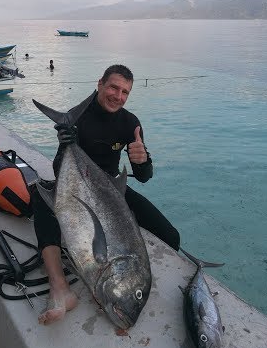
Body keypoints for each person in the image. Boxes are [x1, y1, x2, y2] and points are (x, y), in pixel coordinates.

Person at [31, 64, 181, 325]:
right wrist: (66, 144)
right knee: (41, 201)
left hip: (111, 189)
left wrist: (143, 161)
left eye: (125, 92)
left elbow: (143, 177)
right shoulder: (77, 119)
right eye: (113, 87)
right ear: (99, 84)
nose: (118, 96)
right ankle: (59, 287)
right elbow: (59, 169)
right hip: (76, 187)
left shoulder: (130, 123)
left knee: (171, 236)